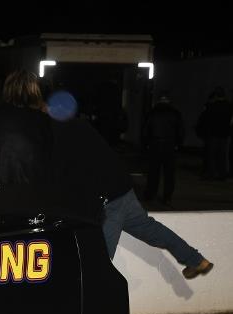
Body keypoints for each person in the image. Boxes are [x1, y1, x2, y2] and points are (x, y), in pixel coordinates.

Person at [49, 95, 214, 280]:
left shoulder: (58, 134)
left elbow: (63, 176)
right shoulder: (82, 127)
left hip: (109, 202)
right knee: (152, 230)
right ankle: (197, 261)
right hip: (124, 191)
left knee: (97, 262)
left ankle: (99, 298)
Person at [0, 70, 53, 185]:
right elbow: (49, 155)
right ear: (35, 91)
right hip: (29, 188)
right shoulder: (42, 121)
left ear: (7, 89)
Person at [141, 93, 184, 206]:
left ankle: (150, 194)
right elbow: (180, 131)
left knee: (153, 171)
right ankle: (167, 196)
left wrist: (146, 144)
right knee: (169, 173)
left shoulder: (152, 113)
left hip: (155, 144)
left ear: (158, 100)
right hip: (170, 145)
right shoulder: (175, 113)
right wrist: (178, 144)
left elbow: (145, 130)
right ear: (169, 101)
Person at [195, 86, 233, 180]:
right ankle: (222, 174)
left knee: (212, 155)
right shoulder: (229, 106)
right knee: (222, 155)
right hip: (224, 134)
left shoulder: (211, 106)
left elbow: (205, 120)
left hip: (212, 133)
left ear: (216, 95)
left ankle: (211, 173)